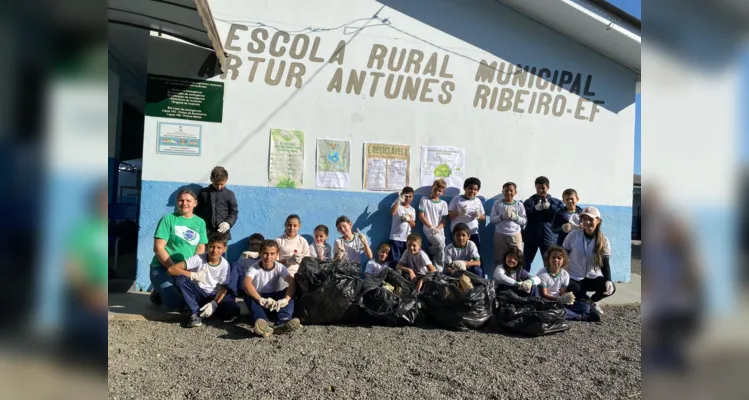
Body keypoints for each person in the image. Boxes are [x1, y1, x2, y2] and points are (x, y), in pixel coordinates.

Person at [150, 188, 208, 311]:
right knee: (175, 306)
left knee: (196, 300)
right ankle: (159, 290)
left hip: (186, 268)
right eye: (181, 200)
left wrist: (192, 266)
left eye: (188, 200)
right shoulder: (168, 220)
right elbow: (158, 248)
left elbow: (201, 247)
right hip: (162, 267)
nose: (184, 203)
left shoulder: (200, 222)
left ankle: (163, 290)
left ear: (195, 203)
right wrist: (173, 268)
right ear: (177, 202)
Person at [167, 232, 240, 327]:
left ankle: (207, 311)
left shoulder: (225, 265)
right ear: (207, 246)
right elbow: (171, 269)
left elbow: (223, 288)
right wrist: (192, 274)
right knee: (181, 279)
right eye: (212, 247)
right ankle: (195, 313)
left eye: (219, 248)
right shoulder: (198, 259)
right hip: (198, 293)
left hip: (214, 295)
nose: (214, 251)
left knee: (234, 310)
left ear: (225, 249)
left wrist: (214, 303)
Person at [562, 206, 615, 316]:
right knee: (576, 291)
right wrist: (562, 274)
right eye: (584, 219)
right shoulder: (573, 235)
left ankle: (592, 302)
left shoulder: (603, 241)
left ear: (598, 220)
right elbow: (563, 255)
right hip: (574, 276)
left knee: (610, 288)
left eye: (590, 219)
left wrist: (608, 280)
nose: (587, 222)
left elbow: (605, 264)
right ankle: (584, 302)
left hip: (592, 276)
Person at [243, 240, 303, 338]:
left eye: (272, 254)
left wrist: (286, 299)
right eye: (265, 253)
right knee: (248, 295)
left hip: (274, 301)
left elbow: (291, 282)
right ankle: (262, 323)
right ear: (260, 254)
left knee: (289, 291)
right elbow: (246, 283)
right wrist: (260, 299)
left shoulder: (279, 267)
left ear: (277, 255)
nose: (268, 257)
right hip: (260, 299)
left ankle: (283, 320)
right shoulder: (254, 267)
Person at [537, 246, 600, 322]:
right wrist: (558, 299)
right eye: (553, 257)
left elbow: (562, 293)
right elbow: (544, 294)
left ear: (563, 261)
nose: (556, 260)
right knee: (553, 311)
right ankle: (580, 317)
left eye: (559, 258)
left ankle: (569, 312)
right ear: (548, 260)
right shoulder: (542, 273)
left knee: (585, 307)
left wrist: (566, 298)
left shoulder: (565, 274)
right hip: (547, 302)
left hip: (559, 301)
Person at [522, 176, 563, 271]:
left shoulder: (556, 202)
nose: (540, 190)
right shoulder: (530, 201)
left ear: (548, 187)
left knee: (549, 262)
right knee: (526, 262)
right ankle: (523, 282)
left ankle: (549, 283)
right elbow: (523, 215)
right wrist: (534, 209)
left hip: (548, 237)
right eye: (538, 188)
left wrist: (550, 207)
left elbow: (562, 215)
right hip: (531, 238)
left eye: (543, 188)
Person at [489, 182, 527, 266]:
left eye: (511, 190)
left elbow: (524, 221)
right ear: (502, 192)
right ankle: (499, 278)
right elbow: (492, 219)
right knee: (499, 259)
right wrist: (502, 216)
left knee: (517, 258)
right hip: (500, 235)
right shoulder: (498, 203)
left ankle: (516, 278)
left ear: (515, 192)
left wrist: (515, 217)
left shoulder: (519, 205)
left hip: (515, 236)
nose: (509, 193)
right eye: (506, 190)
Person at [195, 166, 239, 240]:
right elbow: (197, 211)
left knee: (220, 251)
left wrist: (228, 223)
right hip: (205, 232)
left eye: (221, 184)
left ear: (226, 180)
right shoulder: (203, 193)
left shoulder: (229, 194)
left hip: (222, 233)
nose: (219, 187)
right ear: (211, 179)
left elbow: (234, 212)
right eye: (216, 184)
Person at [448, 177, 486, 251]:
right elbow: (449, 216)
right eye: (470, 188)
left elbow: (483, 217)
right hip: (458, 234)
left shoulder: (478, 201)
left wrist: (478, 216)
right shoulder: (456, 199)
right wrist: (459, 213)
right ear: (465, 188)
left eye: (475, 189)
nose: (472, 191)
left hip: (473, 233)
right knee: (458, 254)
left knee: (474, 255)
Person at [418, 179, 449, 269]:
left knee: (441, 250)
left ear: (443, 192)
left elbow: (444, 220)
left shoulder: (443, 204)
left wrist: (438, 228)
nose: (437, 192)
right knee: (440, 245)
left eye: (440, 191)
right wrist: (431, 227)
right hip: (429, 230)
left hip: (439, 230)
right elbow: (421, 216)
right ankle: (437, 269)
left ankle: (435, 270)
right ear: (432, 188)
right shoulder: (424, 200)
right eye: (436, 189)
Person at [228, 233, 264, 298]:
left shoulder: (265, 257)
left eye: (257, 244)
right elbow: (237, 269)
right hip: (243, 284)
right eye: (252, 244)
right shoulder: (245, 255)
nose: (254, 246)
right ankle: (231, 292)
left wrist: (257, 254)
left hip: (256, 287)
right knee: (234, 264)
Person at [389, 187, 416, 267]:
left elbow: (413, 225)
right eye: (406, 196)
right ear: (402, 196)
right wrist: (398, 200)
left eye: (410, 196)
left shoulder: (412, 210)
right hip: (396, 238)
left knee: (405, 261)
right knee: (395, 260)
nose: (408, 198)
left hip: (407, 239)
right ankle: (394, 277)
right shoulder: (397, 205)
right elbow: (392, 213)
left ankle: (404, 277)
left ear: (413, 197)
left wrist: (409, 220)